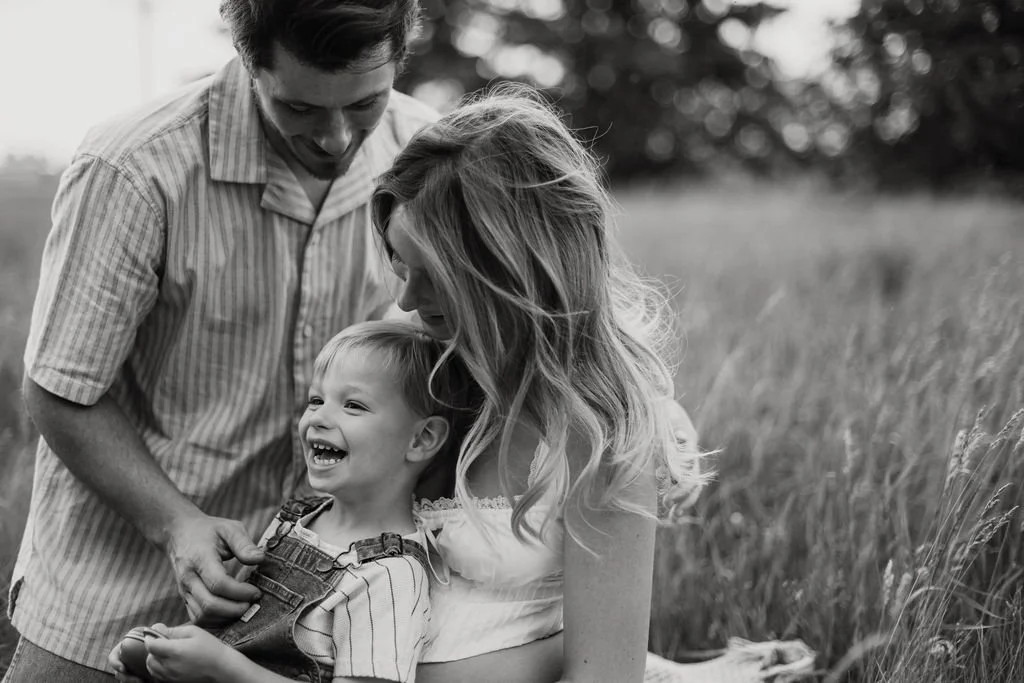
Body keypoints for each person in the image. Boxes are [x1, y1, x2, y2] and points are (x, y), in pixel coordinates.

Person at [6, 1, 438, 679]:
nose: (333, 139)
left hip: (317, 627)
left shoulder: (426, 158)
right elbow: (62, 389)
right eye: (298, 110)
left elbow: (495, 326)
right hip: (107, 602)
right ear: (246, 58)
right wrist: (177, 523)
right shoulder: (133, 166)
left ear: (402, 49)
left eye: (365, 103)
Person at [370, 86, 816, 683]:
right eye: (401, 265)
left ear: (515, 272)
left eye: (437, 277)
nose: (405, 299)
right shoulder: (414, 365)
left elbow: (601, 675)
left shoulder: (597, 441)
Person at [109, 321, 480, 683]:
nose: (318, 417)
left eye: (353, 405)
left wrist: (222, 668)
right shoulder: (296, 522)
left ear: (422, 439)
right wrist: (166, 650)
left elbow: (226, 660)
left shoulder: (390, 577)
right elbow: (237, 636)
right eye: (316, 400)